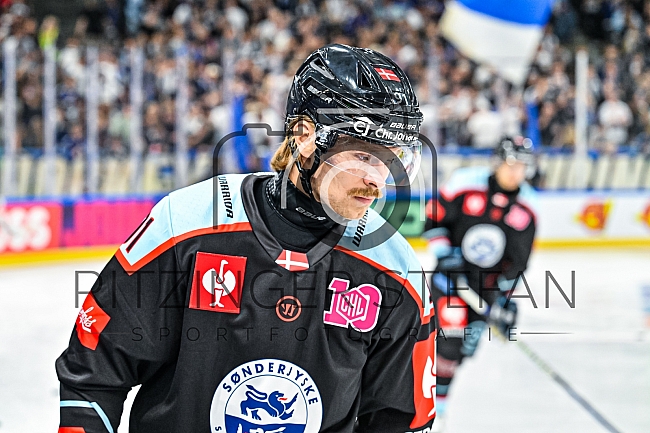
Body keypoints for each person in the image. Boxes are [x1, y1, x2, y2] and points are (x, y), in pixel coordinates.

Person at [56, 44, 437, 433]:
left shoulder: (396, 269)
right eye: (364, 156)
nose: (378, 181)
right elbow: (94, 375)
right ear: (305, 136)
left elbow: (401, 421)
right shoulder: (187, 224)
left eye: (391, 159)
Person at [422, 136, 538, 431]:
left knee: (463, 351)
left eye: (522, 166)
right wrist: (445, 254)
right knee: (449, 340)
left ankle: (438, 403)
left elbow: (519, 261)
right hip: (449, 281)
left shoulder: (528, 206)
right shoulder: (465, 184)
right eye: (511, 163)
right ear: (497, 162)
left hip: (484, 291)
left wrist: (504, 301)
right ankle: (431, 411)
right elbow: (433, 218)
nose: (515, 171)